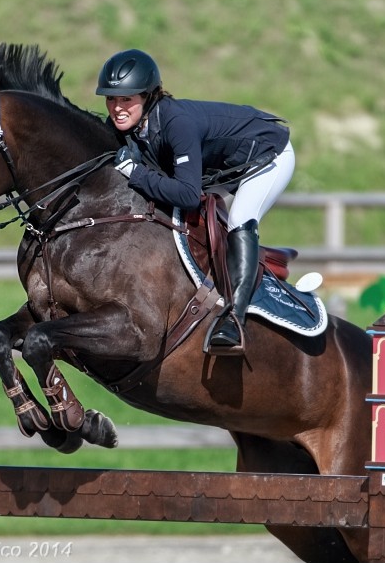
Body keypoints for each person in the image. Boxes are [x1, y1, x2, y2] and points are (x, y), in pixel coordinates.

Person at [96, 49, 295, 354]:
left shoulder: (177, 123)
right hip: (227, 165)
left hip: (268, 157)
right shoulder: (135, 125)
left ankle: (234, 320)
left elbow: (188, 195)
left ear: (148, 96)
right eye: (111, 99)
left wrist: (134, 173)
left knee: (241, 219)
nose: (117, 108)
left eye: (127, 99)